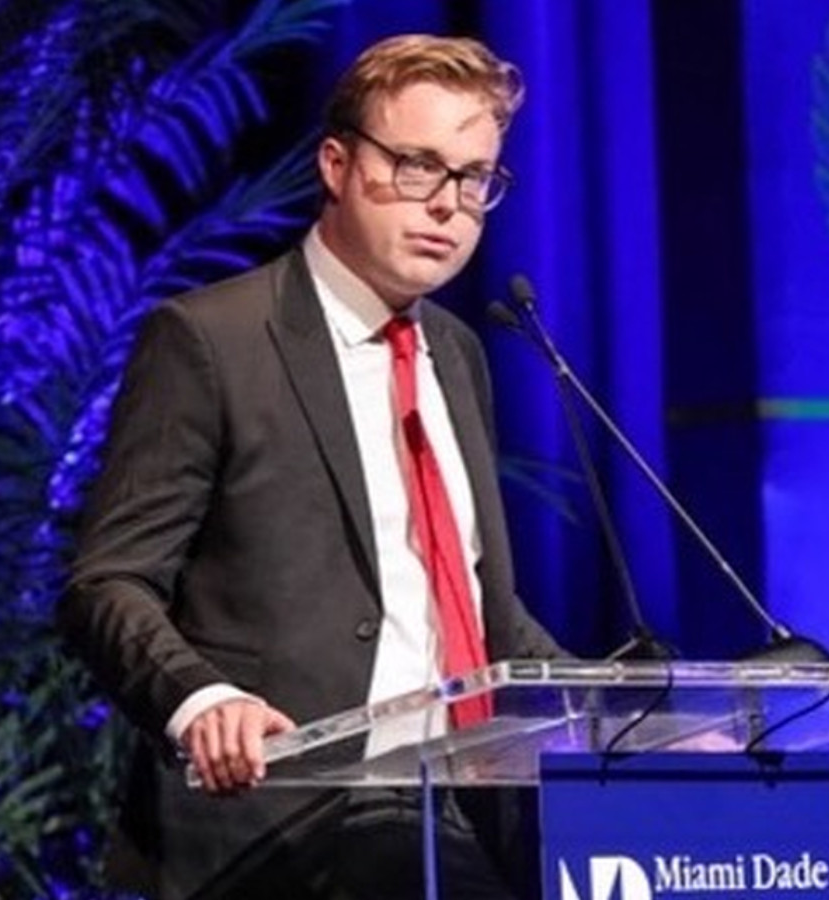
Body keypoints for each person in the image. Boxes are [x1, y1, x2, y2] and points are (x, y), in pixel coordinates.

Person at [58, 33, 567, 900]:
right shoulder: (214, 342)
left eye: (473, 178)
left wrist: (631, 712)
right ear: (336, 164)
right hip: (272, 833)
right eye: (416, 166)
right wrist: (201, 702)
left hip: (453, 829)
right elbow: (107, 582)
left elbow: (473, 609)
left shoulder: (458, 353)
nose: (447, 205)